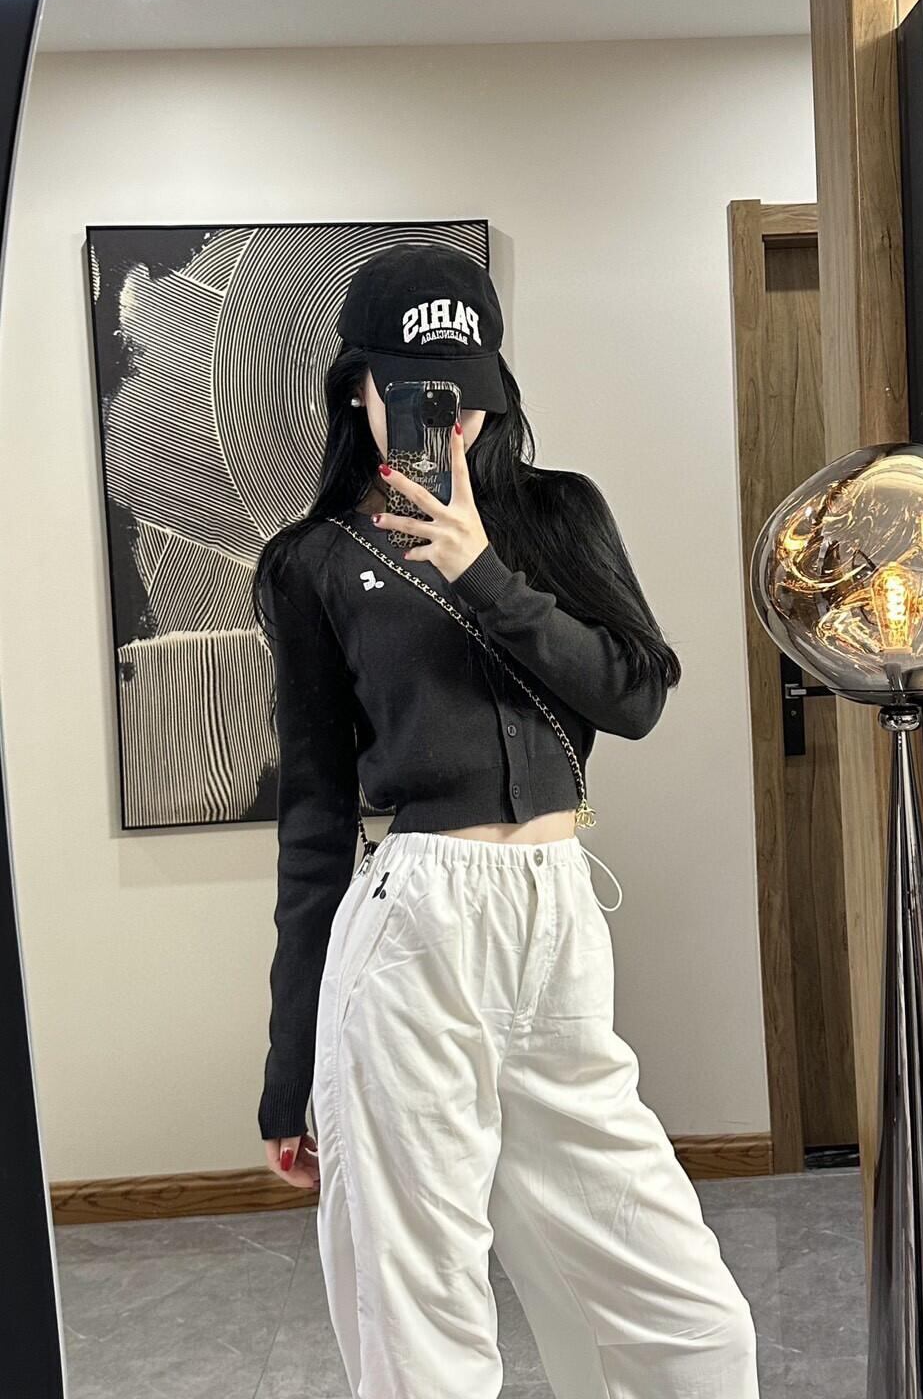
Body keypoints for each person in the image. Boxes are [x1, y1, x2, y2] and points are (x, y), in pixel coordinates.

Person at [251, 241, 758, 1399]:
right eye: (415, 394)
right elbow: (316, 816)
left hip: (557, 915)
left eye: (466, 394)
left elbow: (633, 695)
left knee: (693, 1325)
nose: (449, 420)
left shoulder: (558, 516)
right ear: (357, 388)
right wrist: (291, 1068)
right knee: (422, 1321)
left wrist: (483, 571)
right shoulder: (314, 563)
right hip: (412, 927)